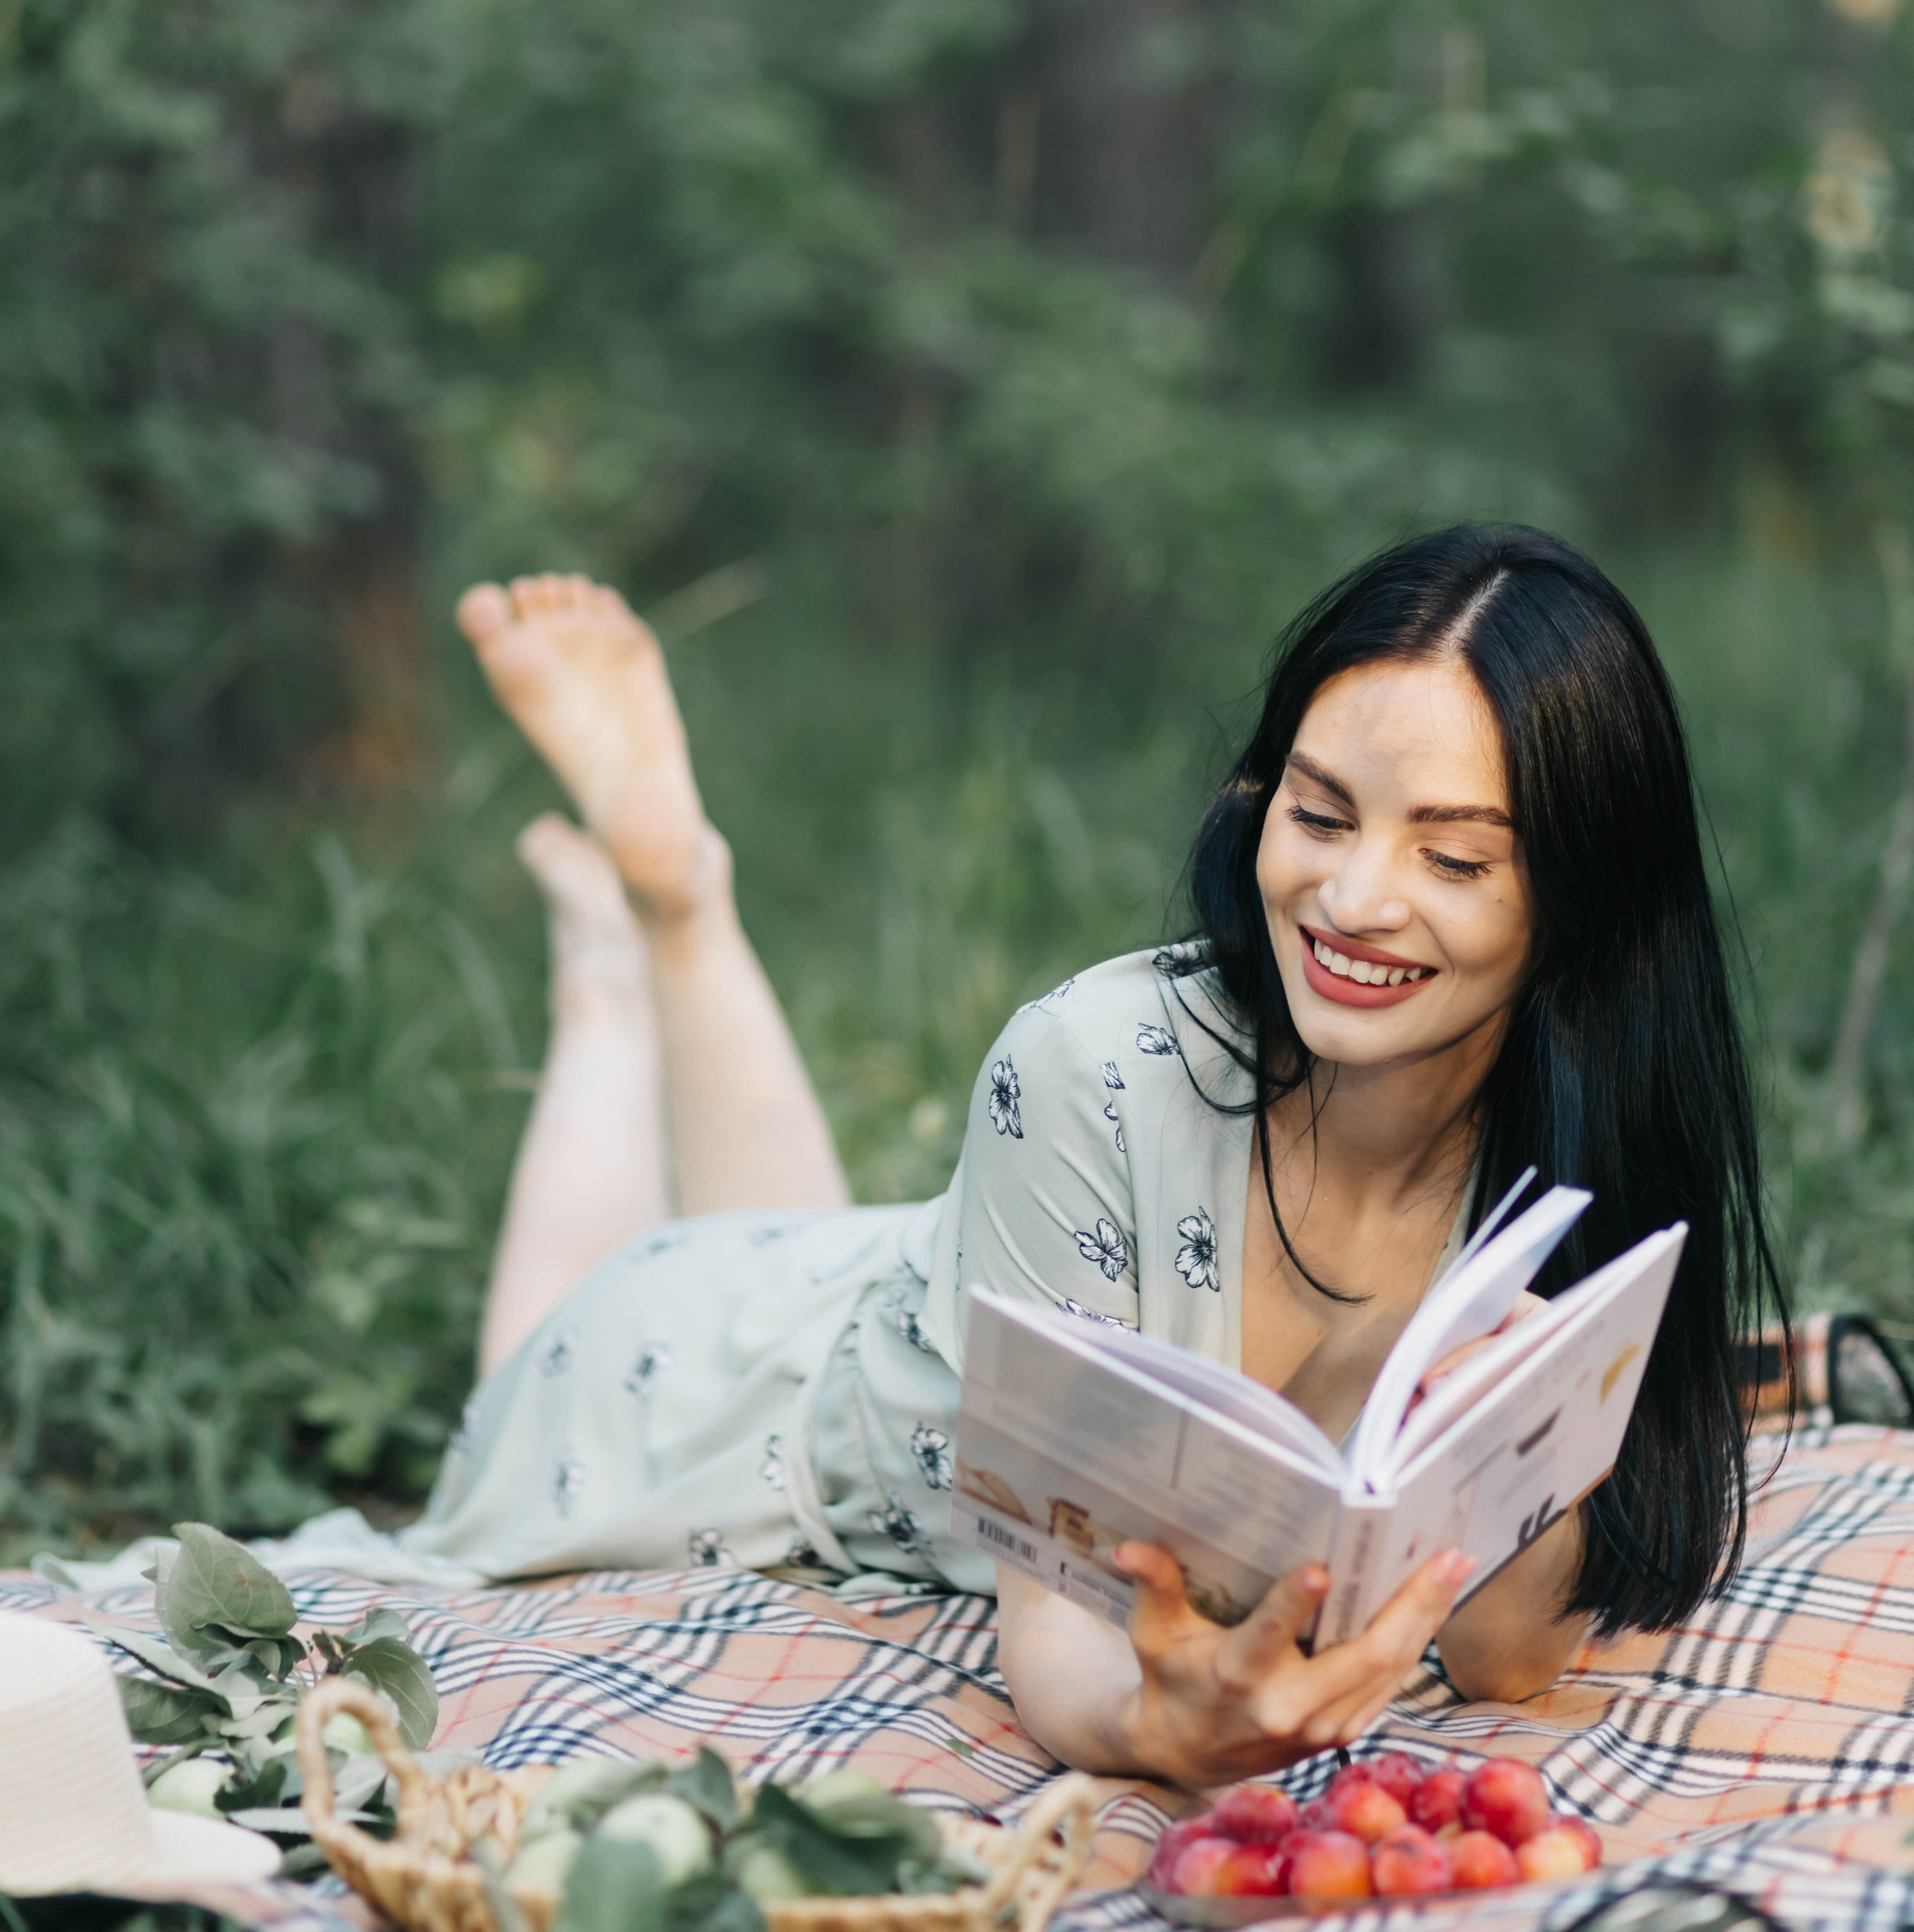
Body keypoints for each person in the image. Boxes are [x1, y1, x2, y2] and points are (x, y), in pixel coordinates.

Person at [379, 527, 1783, 1792]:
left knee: (848, 1263)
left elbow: (1504, 1658)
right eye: (1321, 813)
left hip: (898, 1291)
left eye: (1456, 860)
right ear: (1260, 797)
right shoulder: (1094, 1065)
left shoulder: (1576, 1138)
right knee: (536, 1353)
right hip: (686, 1409)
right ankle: (622, 969)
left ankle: (668, 911)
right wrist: (1164, 1733)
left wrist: (1525, 1438)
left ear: (1582, 901)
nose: (1355, 900)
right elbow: (1058, 1636)